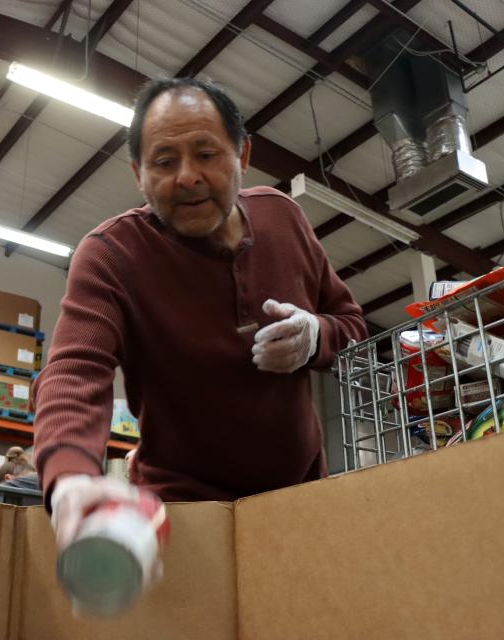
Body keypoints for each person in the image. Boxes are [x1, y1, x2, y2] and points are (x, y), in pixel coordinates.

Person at [33, 78, 367, 533]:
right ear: (138, 174)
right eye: (164, 162)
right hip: (183, 512)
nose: (187, 176)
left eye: (206, 155)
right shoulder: (111, 255)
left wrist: (316, 337)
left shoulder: (284, 218)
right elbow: (74, 372)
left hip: (300, 498)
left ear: (242, 155)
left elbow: (352, 325)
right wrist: (70, 480)